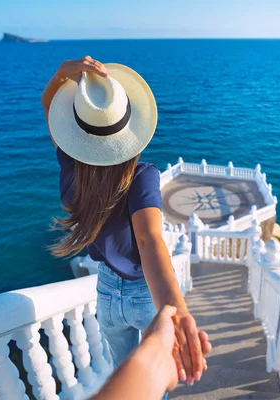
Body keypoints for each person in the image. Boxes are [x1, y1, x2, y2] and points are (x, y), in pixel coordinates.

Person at [41, 56, 208, 389]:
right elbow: (149, 241)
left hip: (105, 293)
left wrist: (62, 72)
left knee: (125, 369)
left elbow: (48, 107)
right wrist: (177, 310)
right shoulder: (142, 176)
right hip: (145, 294)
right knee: (155, 381)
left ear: (77, 130)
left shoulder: (72, 171)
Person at [89, 305, 212, 400]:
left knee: (121, 366)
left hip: (107, 294)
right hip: (144, 290)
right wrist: (158, 353)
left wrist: (157, 350)